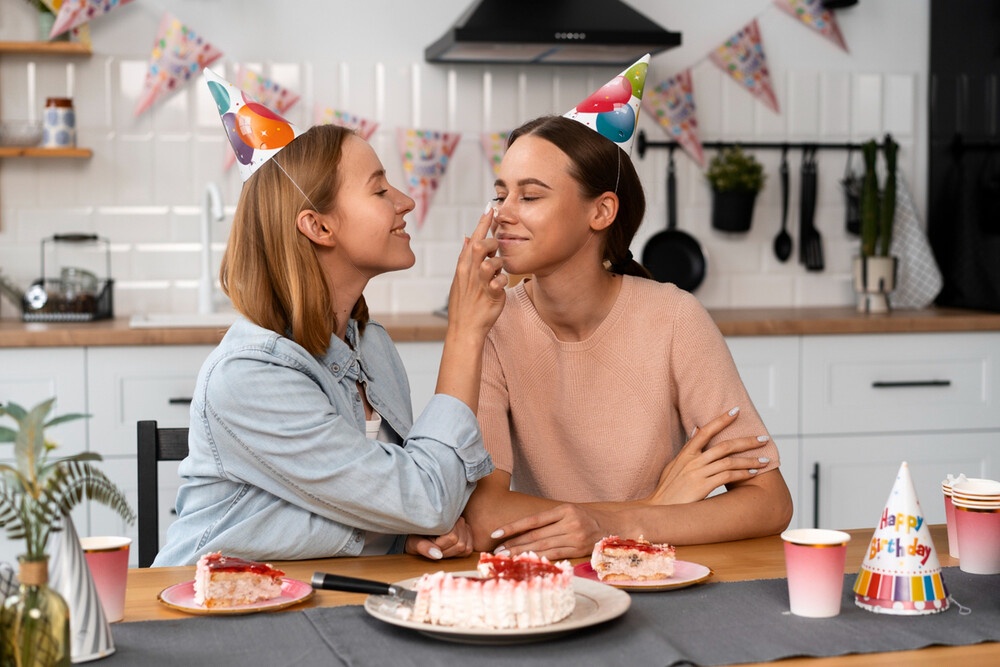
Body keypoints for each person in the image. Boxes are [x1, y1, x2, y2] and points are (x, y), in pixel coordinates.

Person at [154, 72, 506, 566]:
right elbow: (426, 499)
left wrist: (404, 531)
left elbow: (397, 496)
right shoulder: (250, 375)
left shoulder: (372, 348)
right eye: (380, 190)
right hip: (212, 610)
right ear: (318, 226)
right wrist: (465, 332)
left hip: (321, 596)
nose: (405, 202)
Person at [462, 114, 794, 560]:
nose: (501, 212)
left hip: (662, 576)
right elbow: (485, 515)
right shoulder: (494, 327)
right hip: (555, 585)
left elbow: (770, 501)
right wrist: (655, 507)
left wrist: (609, 526)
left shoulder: (675, 319)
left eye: (530, 195)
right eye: (500, 194)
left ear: (600, 211)